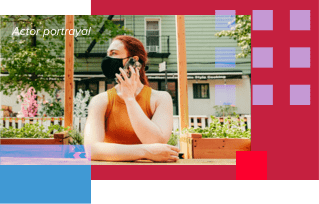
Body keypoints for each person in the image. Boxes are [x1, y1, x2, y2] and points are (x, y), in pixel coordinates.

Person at [84, 35, 180, 162]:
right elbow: (91, 150)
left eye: (114, 53)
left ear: (134, 61)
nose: (108, 59)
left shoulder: (161, 98)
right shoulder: (99, 100)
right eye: (108, 54)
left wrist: (129, 99)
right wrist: (145, 151)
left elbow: (156, 141)